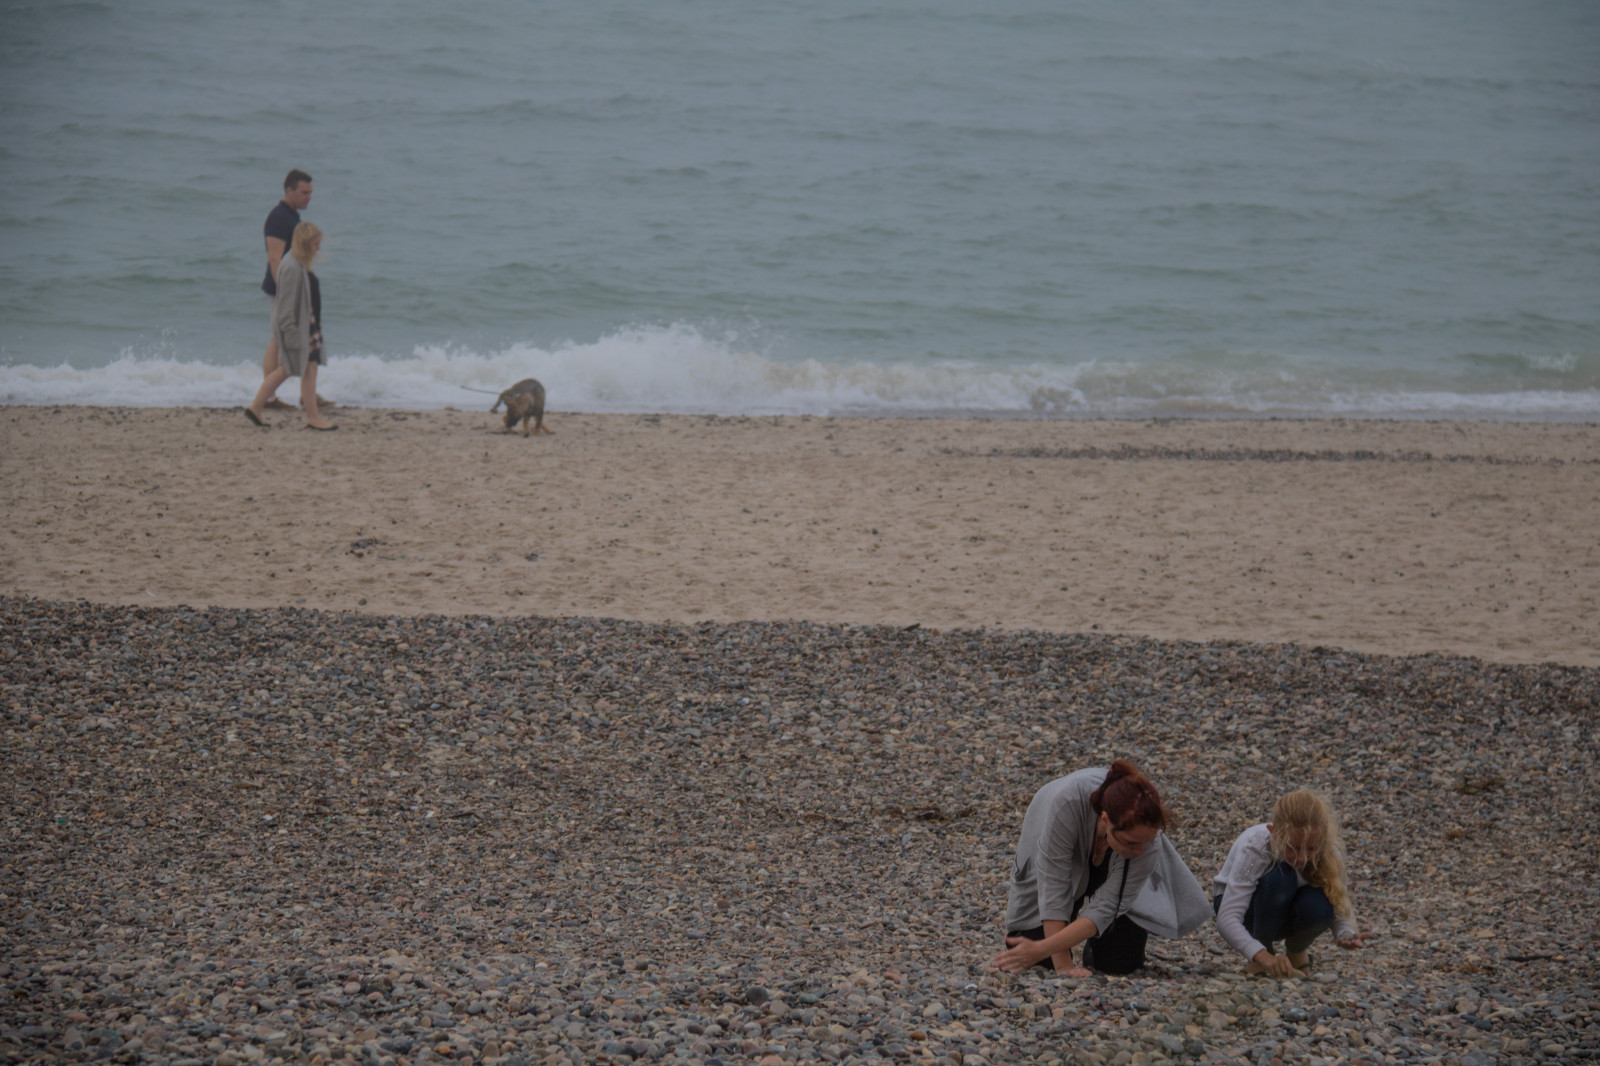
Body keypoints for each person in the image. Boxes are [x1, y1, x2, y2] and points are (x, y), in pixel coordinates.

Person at [994, 761, 1209, 976]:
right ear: (1105, 820)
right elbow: (1053, 886)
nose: (1140, 851)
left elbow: (1106, 907)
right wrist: (1063, 965)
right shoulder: (1066, 803)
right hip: (1061, 849)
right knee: (1034, 961)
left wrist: (1043, 948)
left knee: (1119, 964)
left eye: (1145, 842)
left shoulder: (1148, 844)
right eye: (1131, 842)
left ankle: (1094, 947)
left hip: (1112, 867)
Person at [1212, 789, 1369, 978]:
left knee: (1321, 904)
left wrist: (1346, 933)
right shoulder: (1256, 846)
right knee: (1281, 877)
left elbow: (1337, 897)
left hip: (1283, 914)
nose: (1301, 858)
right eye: (1292, 848)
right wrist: (1261, 955)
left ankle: (1296, 949)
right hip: (1246, 913)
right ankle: (1262, 954)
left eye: (1310, 849)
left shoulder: (1328, 850)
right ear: (1273, 832)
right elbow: (1227, 918)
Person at [246, 222, 335, 430]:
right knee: (289, 369)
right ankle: (258, 407)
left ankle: (257, 408)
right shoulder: (292, 267)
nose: (319, 248)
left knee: (305, 369)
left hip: (308, 325)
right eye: (316, 244)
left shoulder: (299, 264)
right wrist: (292, 336)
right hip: (299, 329)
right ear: (306, 244)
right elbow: (284, 309)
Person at [257, 170, 332, 410]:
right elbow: (275, 259)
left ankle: (306, 395)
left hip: (293, 289)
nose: (309, 197)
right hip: (283, 290)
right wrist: (288, 294)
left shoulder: (292, 216)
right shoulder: (279, 217)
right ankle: (268, 399)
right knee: (277, 340)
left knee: (294, 341)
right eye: (304, 193)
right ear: (289, 190)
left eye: (310, 193)